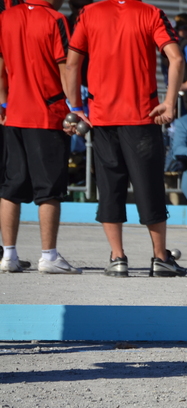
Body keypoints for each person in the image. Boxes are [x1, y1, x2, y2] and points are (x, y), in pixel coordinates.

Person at [65, 0, 186, 278]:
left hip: (102, 116)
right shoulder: (151, 13)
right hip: (142, 115)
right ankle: (160, 258)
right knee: (149, 186)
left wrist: (76, 109)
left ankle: (117, 258)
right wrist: (170, 102)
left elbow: (72, 64)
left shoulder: (89, 13)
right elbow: (176, 58)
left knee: (110, 187)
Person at [0, 0, 79, 274]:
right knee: (50, 189)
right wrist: (75, 108)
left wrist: (3, 104)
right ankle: (49, 256)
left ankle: (8, 254)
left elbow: (0, 66)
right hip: (47, 114)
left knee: (12, 186)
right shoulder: (55, 19)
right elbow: (66, 67)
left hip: (14, 113)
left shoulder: (6, 17)